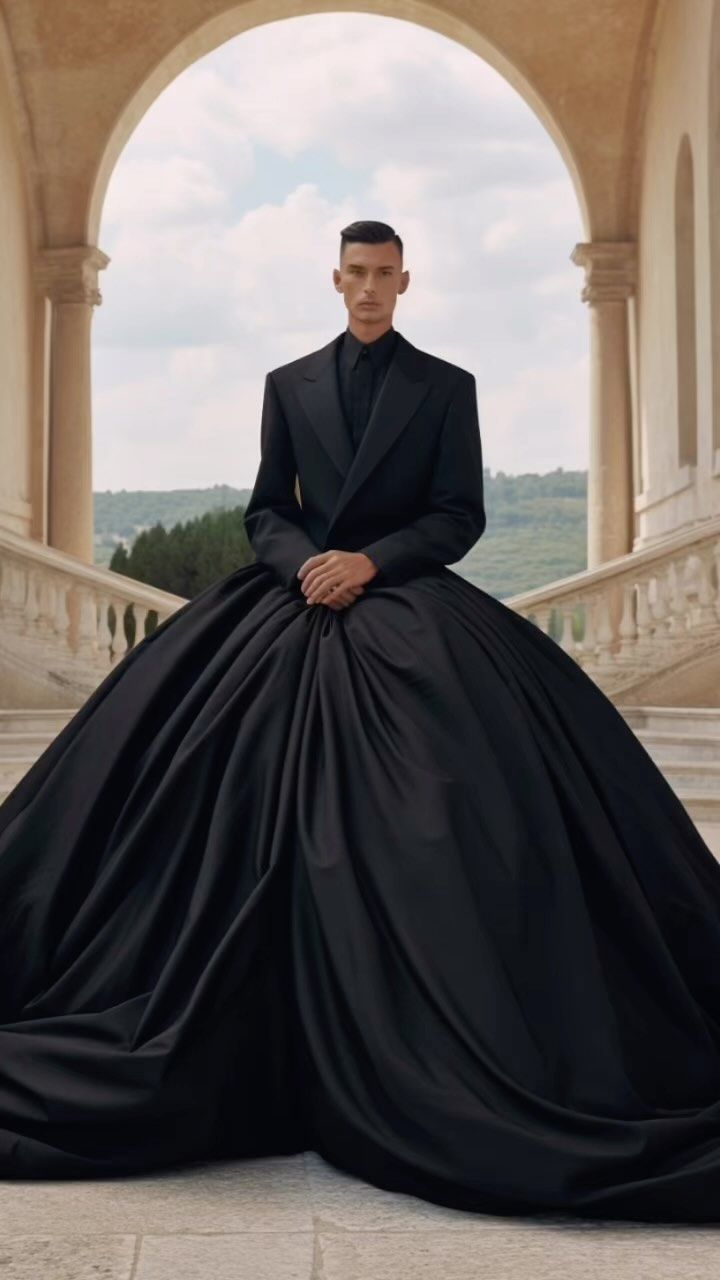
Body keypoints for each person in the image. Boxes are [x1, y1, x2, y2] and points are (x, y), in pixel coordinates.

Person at [1, 220, 720, 1224]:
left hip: (403, 600)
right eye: (358, 275)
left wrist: (370, 563)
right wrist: (305, 563)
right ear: (335, 280)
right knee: (179, 774)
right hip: (290, 600)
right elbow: (264, 510)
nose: (371, 289)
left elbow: (457, 514)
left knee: (449, 798)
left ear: (404, 281)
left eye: (386, 275)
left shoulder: (447, 388)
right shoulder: (289, 383)